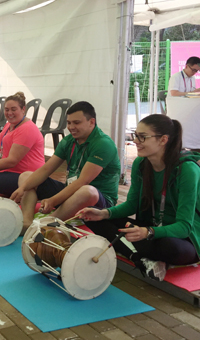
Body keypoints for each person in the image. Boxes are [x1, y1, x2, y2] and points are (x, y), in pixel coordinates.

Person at [79, 114, 200, 281]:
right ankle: (142, 257)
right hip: (151, 229)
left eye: (142, 137)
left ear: (163, 140)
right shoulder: (141, 164)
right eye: (136, 135)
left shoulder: (186, 169)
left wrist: (149, 232)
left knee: (170, 247)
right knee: (93, 218)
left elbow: (185, 226)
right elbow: (131, 205)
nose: (135, 141)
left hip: (184, 238)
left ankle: (135, 253)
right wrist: (104, 213)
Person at [11, 101, 120, 233]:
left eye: (77, 123)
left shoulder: (103, 144)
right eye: (69, 123)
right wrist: (22, 188)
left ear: (91, 122)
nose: (71, 127)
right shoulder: (69, 141)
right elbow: (46, 170)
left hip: (98, 201)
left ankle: (45, 224)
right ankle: (26, 221)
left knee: (87, 191)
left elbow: (82, 182)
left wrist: (53, 200)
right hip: (72, 192)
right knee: (26, 176)